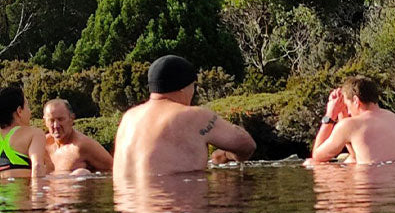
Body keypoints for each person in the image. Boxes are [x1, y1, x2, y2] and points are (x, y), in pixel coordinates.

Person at [112, 55, 256, 181]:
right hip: (175, 206)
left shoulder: (128, 118)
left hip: (130, 209)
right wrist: (226, 154)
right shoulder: (193, 116)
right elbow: (246, 145)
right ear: (184, 87)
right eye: (193, 86)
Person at [309, 76, 395, 165]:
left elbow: (318, 156)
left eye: (347, 106)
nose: (348, 112)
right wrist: (342, 113)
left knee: (313, 163)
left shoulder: (351, 125)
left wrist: (330, 115)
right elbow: (356, 155)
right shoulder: (393, 118)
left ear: (356, 101)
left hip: (370, 183)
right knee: (351, 160)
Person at [42, 98, 113, 173]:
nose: (56, 125)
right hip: (49, 183)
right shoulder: (41, 144)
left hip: (78, 183)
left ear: (71, 119)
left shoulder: (84, 145)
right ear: (45, 122)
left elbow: (115, 170)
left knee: (80, 173)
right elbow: (28, 164)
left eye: (61, 119)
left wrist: (89, 178)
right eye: (51, 120)